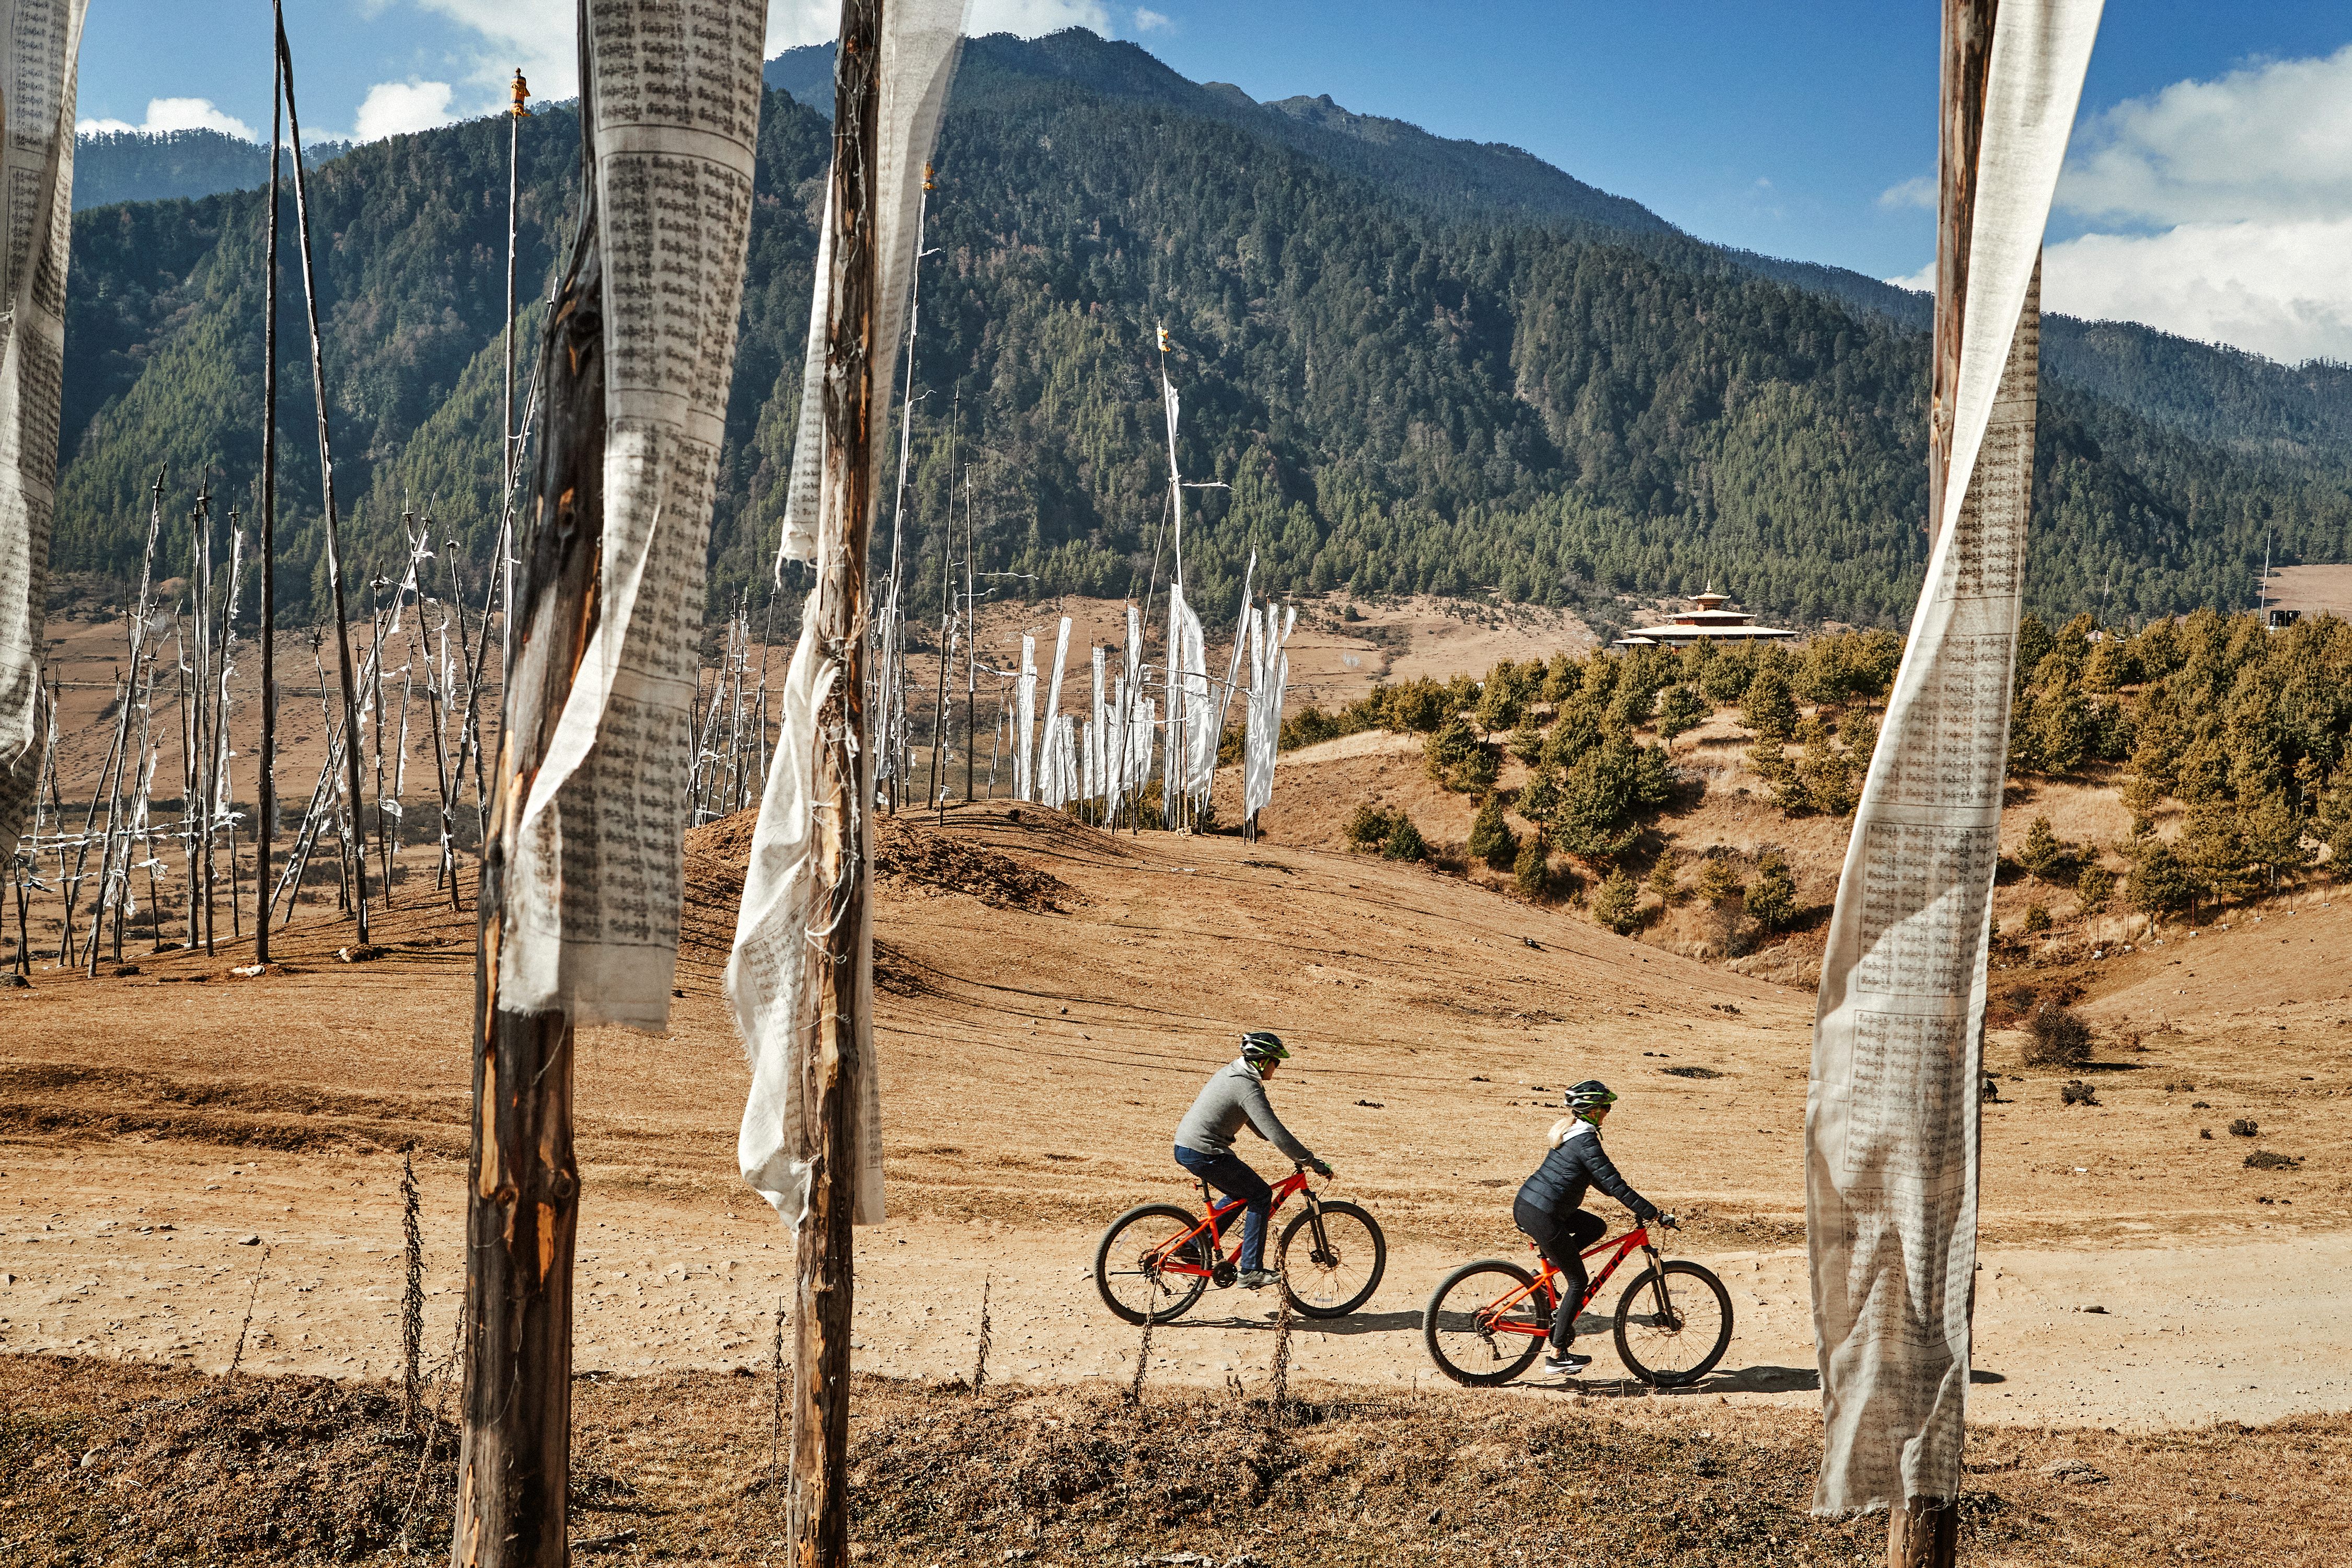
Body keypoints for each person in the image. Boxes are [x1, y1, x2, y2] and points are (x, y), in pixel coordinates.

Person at [1513, 1079, 1661, 1377]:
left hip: (1535, 1206)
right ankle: (1557, 1355)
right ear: (1592, 1110)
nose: (1608, 1111)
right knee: (1578, 1281)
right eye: (1605, 1106)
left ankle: (1547, 1271)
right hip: (1544, 1213)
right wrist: (1653, 1213)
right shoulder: (1585, 1140)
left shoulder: (1573, 1134)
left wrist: (1620, 1195)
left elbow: (1603, 1182)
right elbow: (1615, 1184)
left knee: (1595, 1226)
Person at [1173, 1030, 1332, 1289]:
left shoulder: (1232, 1074)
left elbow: (1262, 1128)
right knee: (1259, 1194)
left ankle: (1194, 1247)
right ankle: (1251, 1271)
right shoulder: (1247, 1087)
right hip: (1204, 1151)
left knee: (1242, 1193)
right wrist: (1310, 1161)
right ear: (1262, 1060)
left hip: (1188, 1147)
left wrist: (1284, 1144)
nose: (1277, 1068)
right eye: (1276, 1062)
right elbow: (1275, 1132)